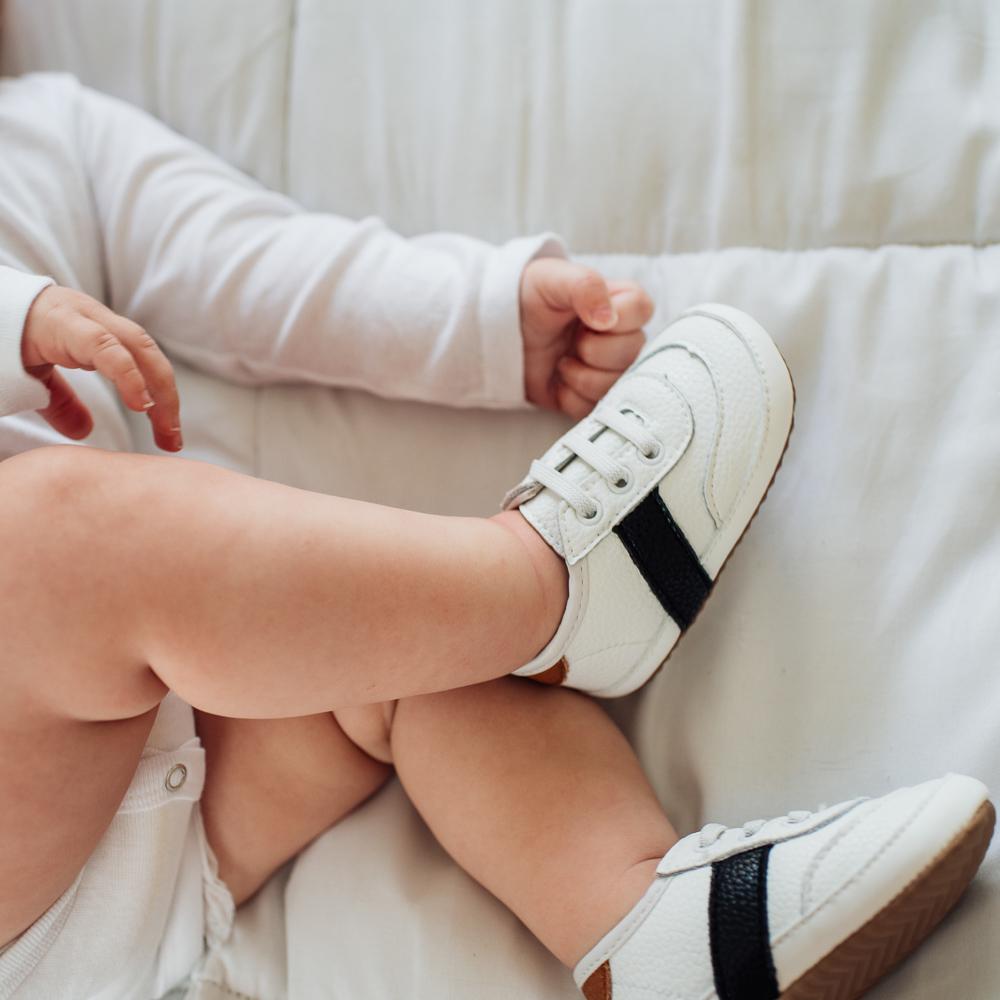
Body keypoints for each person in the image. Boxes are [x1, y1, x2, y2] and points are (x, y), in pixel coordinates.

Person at [0, 72, 993, 1000]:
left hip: (174, 823)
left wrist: (479, 320)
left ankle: (647, 922)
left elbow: (240, 262)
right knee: (52, 542)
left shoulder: (47, 131)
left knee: (396, 630)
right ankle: (547, 585)